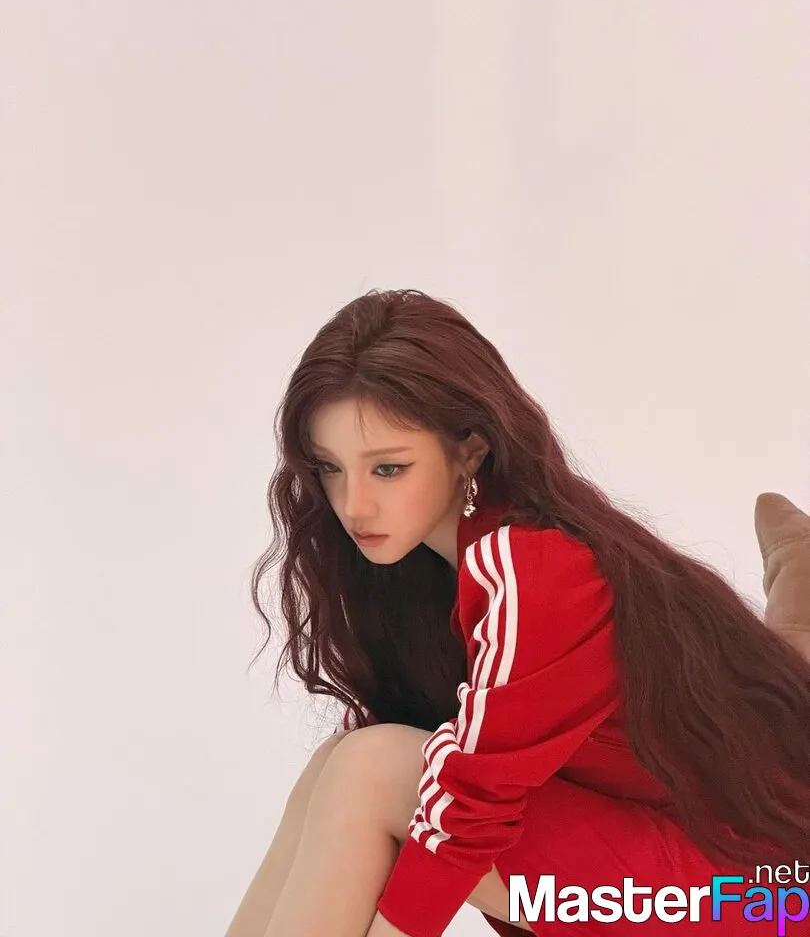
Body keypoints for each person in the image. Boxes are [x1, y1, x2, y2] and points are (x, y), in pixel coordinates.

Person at [226, 289, 810, 937]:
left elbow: (468, 812)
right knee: (342, 758)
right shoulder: (429, 575)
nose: (353, 505)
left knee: (372, 768)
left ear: (470, 450)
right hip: (686, 879)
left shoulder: (534, 567)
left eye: (388, 469)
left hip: (761, 902)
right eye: (330, 469)